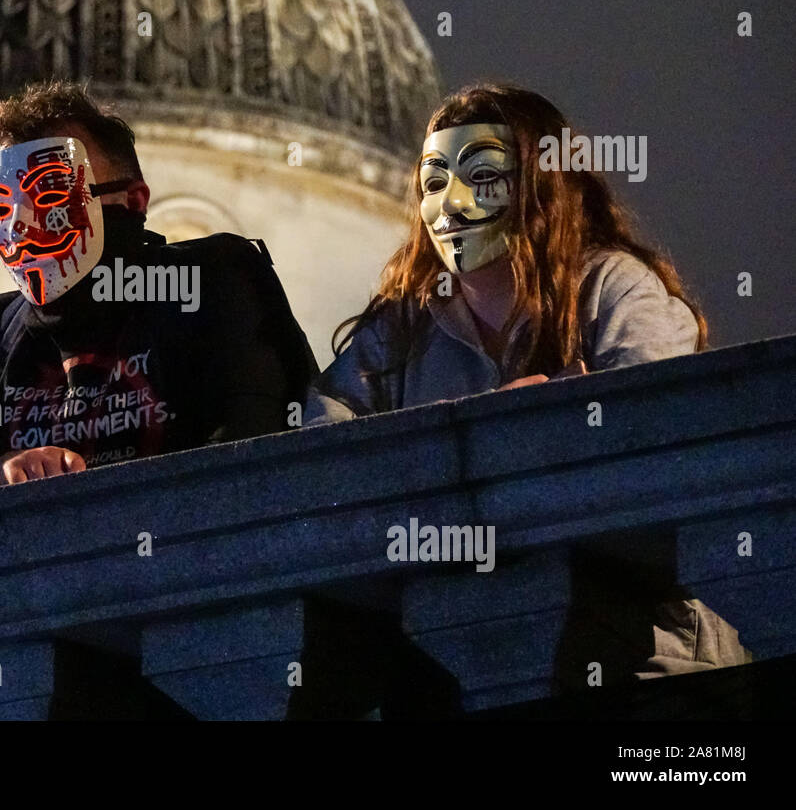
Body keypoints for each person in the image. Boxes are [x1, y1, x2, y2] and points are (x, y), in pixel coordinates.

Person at [307, 82, 748, 683]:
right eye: (434, 182)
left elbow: (655, 460)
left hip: (642, 656)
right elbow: (317, 462)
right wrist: (496, 437)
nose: (451, 204)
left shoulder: (614, 289)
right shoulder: (399, 331)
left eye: (482, 175)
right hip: (462, 651)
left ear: (541, 186)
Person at [0, 80, 315, 497]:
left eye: (50, 191)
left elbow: (255, 447)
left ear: (133, 201)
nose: (19, 226)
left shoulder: (209, 283)